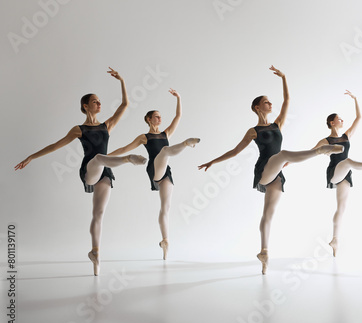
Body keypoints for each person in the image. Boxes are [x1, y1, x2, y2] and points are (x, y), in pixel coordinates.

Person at [198, 66, 341, 274]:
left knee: (268, 214)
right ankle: (320, 151)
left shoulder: (277, 125)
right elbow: (235, 151)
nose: (270, 104)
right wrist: (213, 161)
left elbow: (287, 101)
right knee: (281, 156)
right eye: (266, 102)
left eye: (269, 102)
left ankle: (264, 252)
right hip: (264, 170)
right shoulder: (253, 131)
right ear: (257, 108)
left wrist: (284, 78)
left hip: (277, 175)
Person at [14, 67, 147, 276]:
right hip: (90, 169)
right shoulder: (79, 129)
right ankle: (128, 159)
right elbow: (55, 146)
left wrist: (121, 80)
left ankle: (95, 253)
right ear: (86, 106)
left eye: (99, 101)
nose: (99, 103)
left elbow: (125, 105)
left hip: (105, 171)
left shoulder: (107, 125)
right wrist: (31, 157)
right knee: (99, 158)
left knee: (98, 213)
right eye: (95, 101)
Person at [108, 88, 200, 260]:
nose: (160, 118)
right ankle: (187, 143)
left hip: (167, 172)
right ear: (149, 119)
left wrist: (179, 98)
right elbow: (124, 148)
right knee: (165, 151)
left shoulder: (166, 133)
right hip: (154, 168)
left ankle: (165, 240)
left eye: (160, 116)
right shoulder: (144, 137)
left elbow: (178, 117)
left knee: (166, 207)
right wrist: (106, 157)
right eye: (156, 116)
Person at [311, 90, 362, 257]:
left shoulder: (346, 136)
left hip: (346, 173)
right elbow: (310, 152)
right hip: (335, 171)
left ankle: (335, 239)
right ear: (331, 122)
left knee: (341, 208)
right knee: (348, 162)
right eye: (339, 118)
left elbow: (359, 118)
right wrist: (289, 161)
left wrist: (355, 99)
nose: (342, 120)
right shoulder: (326, 141)